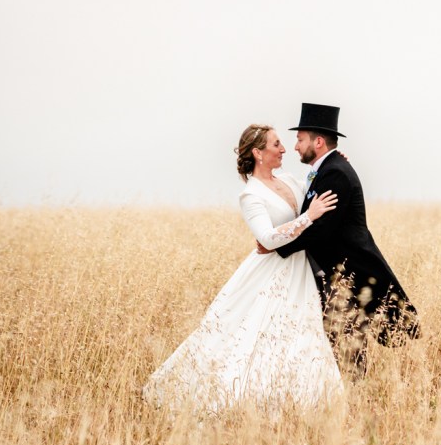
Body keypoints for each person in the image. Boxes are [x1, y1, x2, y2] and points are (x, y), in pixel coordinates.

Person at [142, 124, 343, 412]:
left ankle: (307, 402)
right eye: (276, 144)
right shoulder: (251, 195)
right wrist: (307, 218)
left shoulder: (288, 180)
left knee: (302, 331)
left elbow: (315, 184)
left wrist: (335, 161)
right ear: (258, 153)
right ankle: (244, 400)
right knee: (254, 335)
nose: (284, 148)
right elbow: (267, 238)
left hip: (300, 270)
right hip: (272, 273)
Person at [257, 103, 420, 375]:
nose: (294, 146)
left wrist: (275, 247)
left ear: (318, 141)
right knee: (340, 344)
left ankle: (355, 399)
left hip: (347, 276)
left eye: (300, 139)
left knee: (349, 347)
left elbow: (321, 230)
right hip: (335, 275)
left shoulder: (334, 172)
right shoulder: (328, 169)